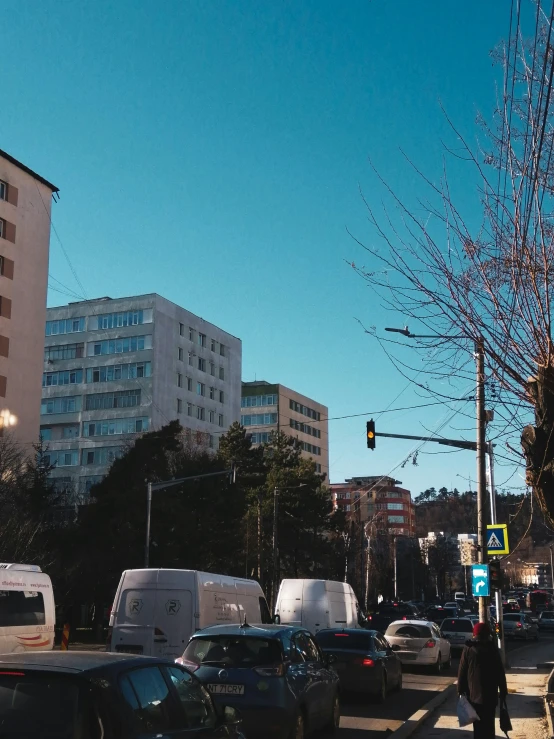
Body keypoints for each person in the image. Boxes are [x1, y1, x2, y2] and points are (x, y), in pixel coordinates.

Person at [458, 622, 507, 739]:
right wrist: (503, 691)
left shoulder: (468, 649)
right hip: (491, 696)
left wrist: (460, 691)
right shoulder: (493, 649)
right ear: (488, 634)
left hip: (474, 696)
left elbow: (462, 672)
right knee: (489, 725)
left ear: (475, 634)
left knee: (478, 727)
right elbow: (500, 673)